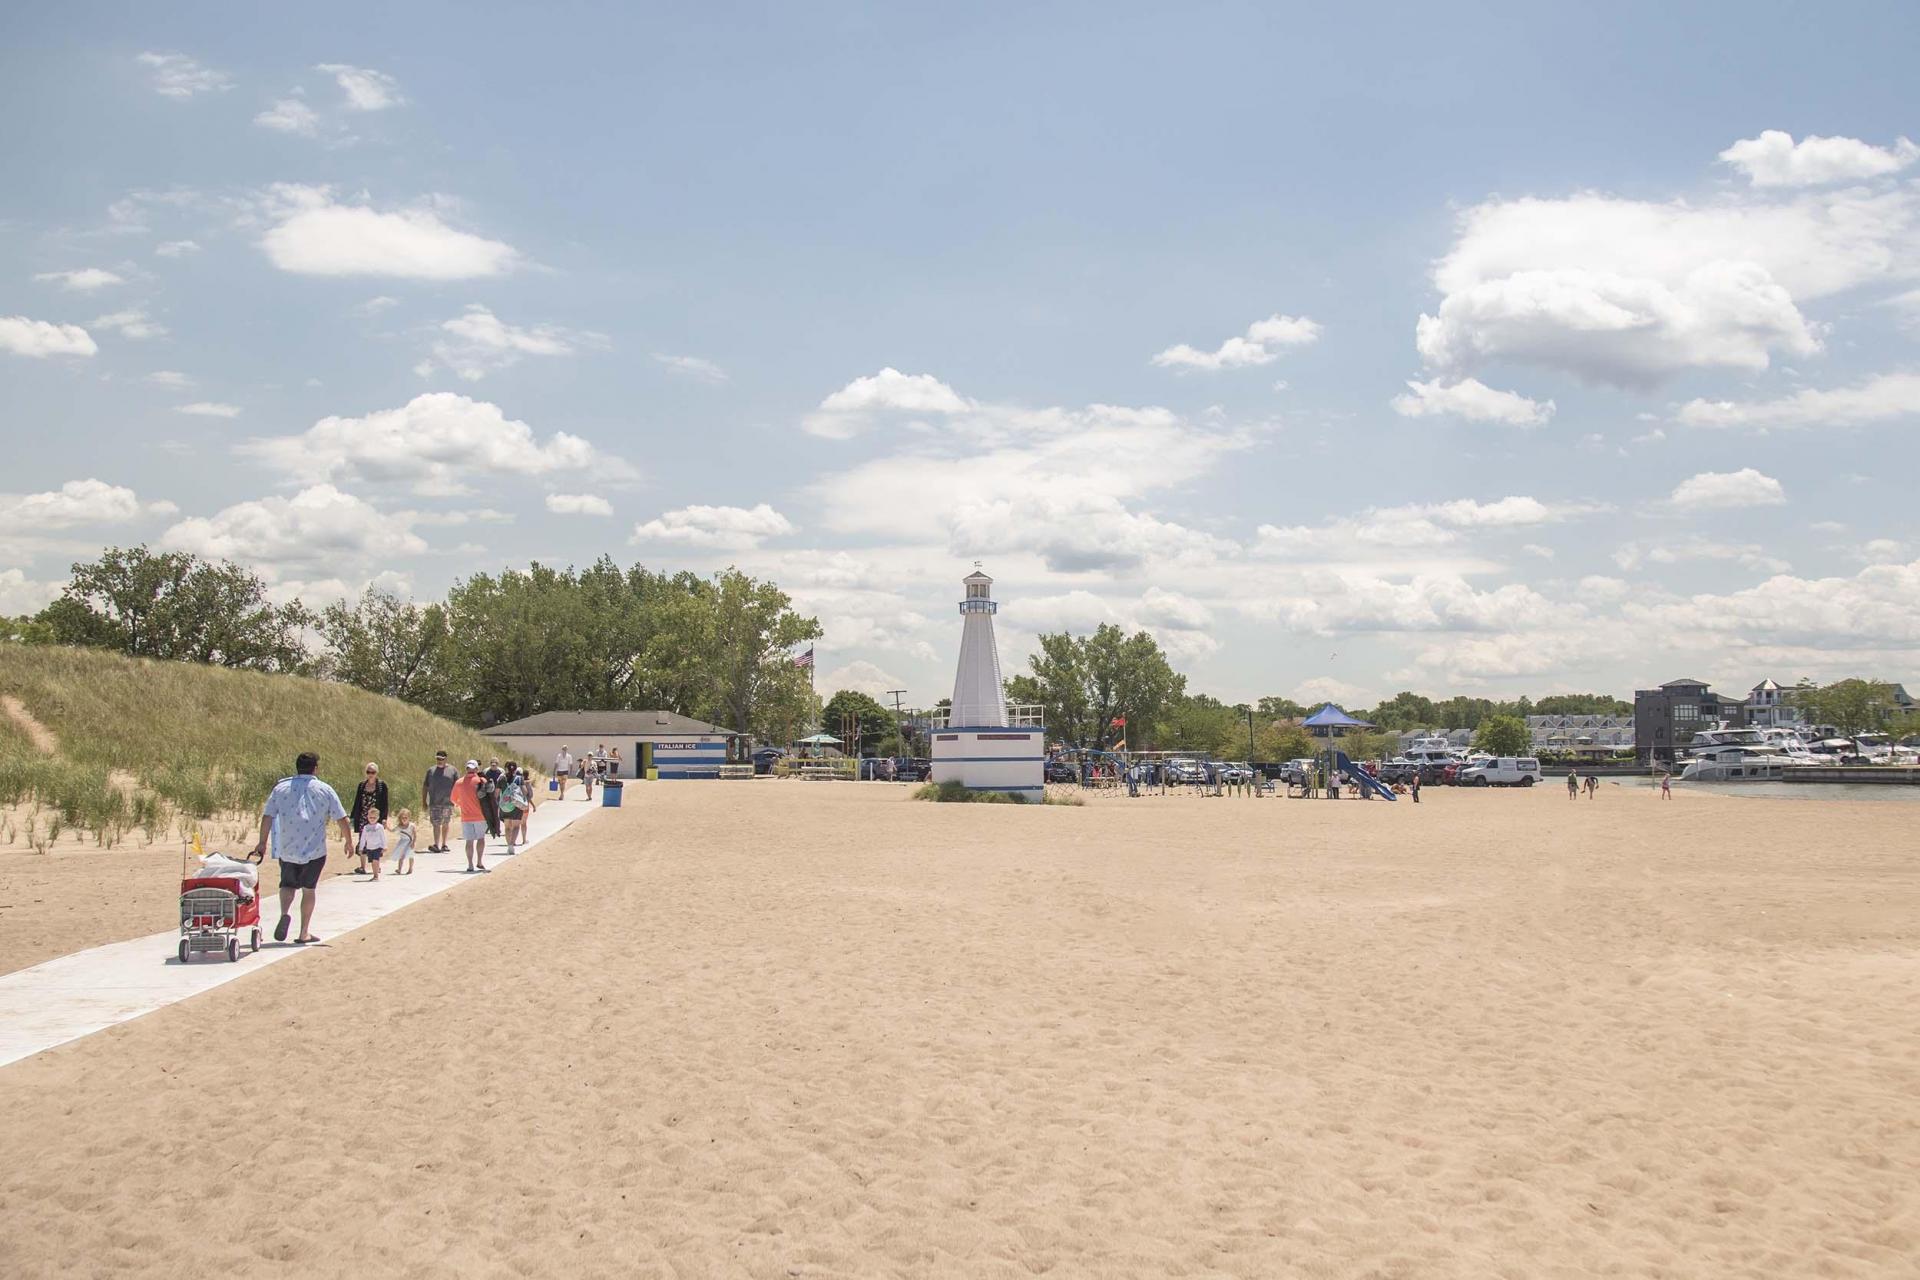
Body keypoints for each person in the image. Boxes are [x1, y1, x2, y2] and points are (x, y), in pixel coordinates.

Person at [251, 751, 351, 946]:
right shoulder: (324, 789)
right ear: (315, 768)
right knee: (308, 889)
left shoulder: (281, 788)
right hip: (314, 849)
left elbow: (267, 816)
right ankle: (304, 931)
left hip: (287, 847)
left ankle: (285, 913)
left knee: (287, 884)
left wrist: (262, 842)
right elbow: (341, 818)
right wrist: (348, 841)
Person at [451, 759, 491, 872]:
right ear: (477, 769)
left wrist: (461, 804)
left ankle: (470, 865)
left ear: (466, 769)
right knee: (481, 839)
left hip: (466, 817)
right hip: (480, 816)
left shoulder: (459, 782)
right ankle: (479, 861)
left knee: (469, 841)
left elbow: (453, 799)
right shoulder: (481, 780)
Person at [349, 763, 390, 873]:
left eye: (373, 772)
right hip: (363, 817)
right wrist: (353, 816)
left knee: (375, 841)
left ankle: (376, 865)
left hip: (376, 817)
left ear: (376, 773)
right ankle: (362, 866)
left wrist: (384, 818)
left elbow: (385, 803)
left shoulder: (382, 786)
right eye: (368, 772)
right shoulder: (362, 785)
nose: (370, 774)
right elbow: (357, 801)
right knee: (362, 839)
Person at [422, 751, 458, 853]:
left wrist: (457, 800)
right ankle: (436, 844)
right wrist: (424, 801)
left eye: (441, 759)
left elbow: (457, 786)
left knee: (445, 823)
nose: (439, 761)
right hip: (434, 802)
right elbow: (425, 786)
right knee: (436, 824)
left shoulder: (452, 770)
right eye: (438, 759)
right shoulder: (431, 771)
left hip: (448, 803)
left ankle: (444, 844)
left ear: (446, 759)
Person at [500, 763, 528, 854]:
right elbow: (525, 792)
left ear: (506, 769)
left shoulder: (501, 778)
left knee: (507, 827)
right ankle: (512, 845)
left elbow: (496, 794)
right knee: (516, 826)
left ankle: (509, 845)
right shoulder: (519, 779)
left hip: (505, 805)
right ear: (516, 769)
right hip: (516, 804)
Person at [360, 809, 388, 880]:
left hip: (377, 847)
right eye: (370, 817)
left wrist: (384, 846)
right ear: (367, 817)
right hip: (369, 848)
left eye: (374, 818)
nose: (372, 819)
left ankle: (376, 876)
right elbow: (363, 838)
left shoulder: (380, 827)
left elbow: (383, 837)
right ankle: (376, 871)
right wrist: (361, 848)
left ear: (378, 818)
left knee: (376, 860)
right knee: (372, 862)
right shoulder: (366, 827)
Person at [390, 807, 418, 875]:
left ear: (409, 818)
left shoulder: (412, 826)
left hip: (410, 842)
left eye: (406, 817)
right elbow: (392, 831)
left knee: (411, 855)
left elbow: (415, 835)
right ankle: (399, 869)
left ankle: (410, 869)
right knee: (401, 855)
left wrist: (413, 843)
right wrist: (386, 826)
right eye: (403, 818)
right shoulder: (400, 826)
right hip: (402, 842)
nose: (404, 819)